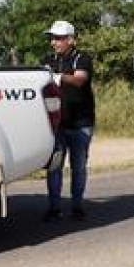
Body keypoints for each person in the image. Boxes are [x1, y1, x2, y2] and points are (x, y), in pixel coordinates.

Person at [42, 20, 95, 221]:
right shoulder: (48, 59)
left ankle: (77, 206)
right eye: (52, 38)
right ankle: (54, 207)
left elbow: (80, 80)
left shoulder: (82, 58)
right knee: (54, 166)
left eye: (58, 38)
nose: (53, 42)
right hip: (57, 123)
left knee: (78, 166)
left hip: (81, 122)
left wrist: (56, 77)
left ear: (70, 40)